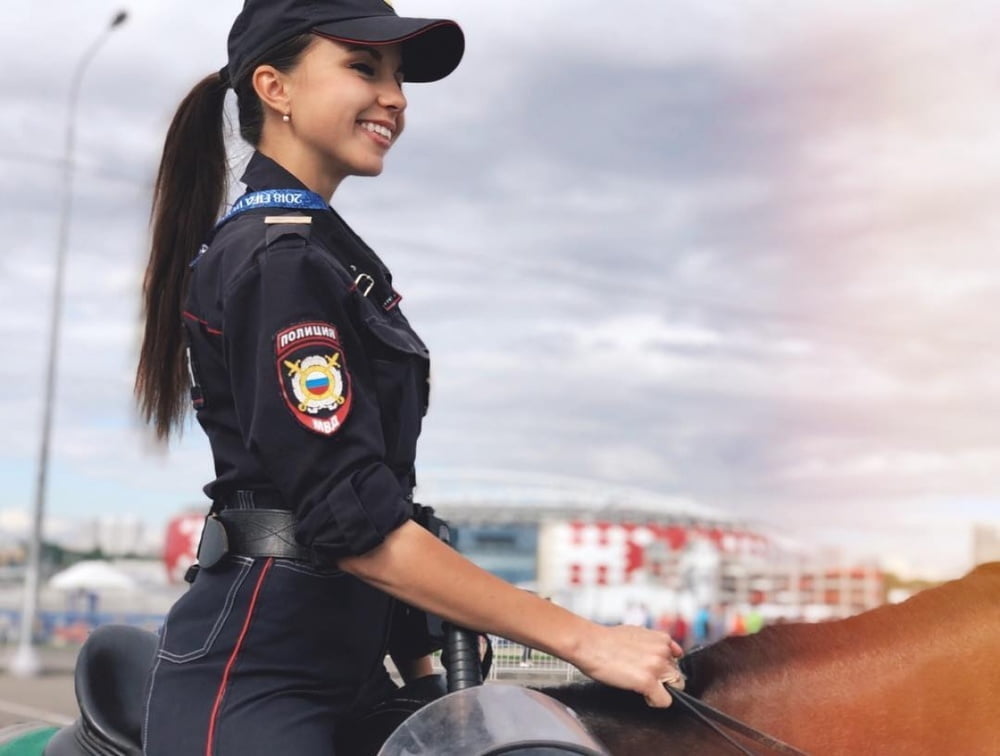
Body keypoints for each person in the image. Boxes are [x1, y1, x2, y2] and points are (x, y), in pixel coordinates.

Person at [135, 1, 684, 753]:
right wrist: (589, 641)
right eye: (364, 67)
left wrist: (421, 655)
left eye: (398, 77)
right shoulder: (281, 262)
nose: (394, 96)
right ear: (275, 87)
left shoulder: (325, 255)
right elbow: (354, 526)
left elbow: (370, 496)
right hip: (262, 679)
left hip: (347, 665)